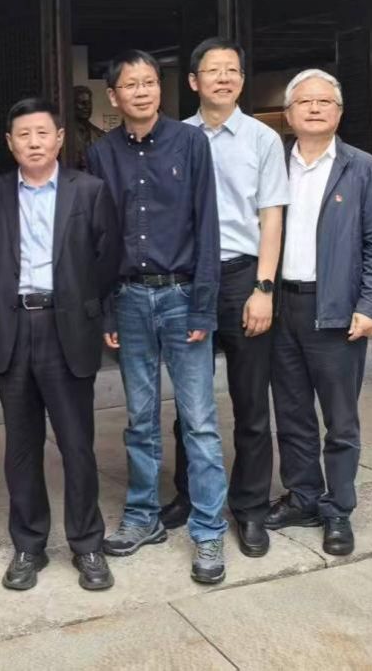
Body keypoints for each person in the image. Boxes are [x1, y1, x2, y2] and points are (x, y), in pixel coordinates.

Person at [85, 49, 228, 585]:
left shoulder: (190, 143)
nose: (141, 91)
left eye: (148, 82)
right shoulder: (100, 153)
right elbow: (99, 239)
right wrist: (106, 310)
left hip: (182, 295)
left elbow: (208, 225)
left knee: (200, 421)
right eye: (130, 84)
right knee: (139, 419)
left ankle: (208, 530)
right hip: (128, 298)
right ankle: (143, 516)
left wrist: (204, 303)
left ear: (160, 89)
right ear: (113, 95)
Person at [0, 98, 121, 592]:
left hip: (67, 328)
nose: (33, 142)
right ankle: (28, 545)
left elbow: (106, 258)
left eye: (42, 133)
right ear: (9, 142)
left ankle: (87, 543)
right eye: (23, 134)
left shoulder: (89, 191)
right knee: (21, 447)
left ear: (59, 138)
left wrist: (77, 301)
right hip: (14, 328)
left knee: (77, 444)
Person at [156, 38, 286, 559]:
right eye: (214, 70)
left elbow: (271, 217)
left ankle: (250, 506)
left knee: (251, 402)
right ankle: (190, 495)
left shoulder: (262, 139)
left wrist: (264, 288)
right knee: (191, 402)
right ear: (194, 81)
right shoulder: (173, 138)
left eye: (233, 70)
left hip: (241, 277)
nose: (225, 78)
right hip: (188, 281)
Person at [264, 69, 372, 558]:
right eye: (305, 102)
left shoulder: (366, 170)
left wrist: (370, 305)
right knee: (291, 413)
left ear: (339, 113)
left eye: (325, 101)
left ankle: (338, 507)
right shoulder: (271, 164)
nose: (315, 108)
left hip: (337, 311)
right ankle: (302, 497)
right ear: (288, 114)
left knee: (340, 420)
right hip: (281, 307)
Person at [69, 84, 107, 171]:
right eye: (82, 103)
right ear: (72, 105)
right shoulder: (64, 135)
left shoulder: (100, 135)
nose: (87, 107)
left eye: (89, 103)